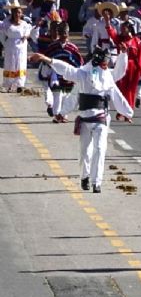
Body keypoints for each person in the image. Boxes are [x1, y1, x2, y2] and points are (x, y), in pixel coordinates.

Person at [30, 48, 132, 192]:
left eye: (107, 62)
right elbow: (67, 74)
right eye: (104, 62)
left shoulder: (107, 76)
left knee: (100, 149)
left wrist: (126, 112)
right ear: (96, 62)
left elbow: (117, 91)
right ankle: (85, 177)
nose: (106, 65)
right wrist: (45, 58)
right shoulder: (82, 75)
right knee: (84, 152)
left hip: (101, 119)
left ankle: (97, 182)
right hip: (85, 119)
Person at [42, 21, 83, 123]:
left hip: (68, 75)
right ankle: (56, 115)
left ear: (68, 33)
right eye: (62, 32)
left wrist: (77, 75)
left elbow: (78, 62)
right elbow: (46, 59)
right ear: (59, 33)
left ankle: (64, 115)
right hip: (55, 75)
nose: (64, 35)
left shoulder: (72, 48)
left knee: (67, 95)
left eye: (65, 33)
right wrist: (46, 73)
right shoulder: (53, 46)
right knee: (58, 94)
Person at [114, 20, 141, 121]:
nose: (122, 30)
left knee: (131, 91)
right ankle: (120, 111)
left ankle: (128, 113)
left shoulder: (137, 41)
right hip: (122, 66)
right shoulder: (119, 40)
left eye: (124, 28)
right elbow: (112, 33)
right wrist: (107, 21)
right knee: (121, 90)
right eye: (121, 28)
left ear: (129, 29)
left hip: (133, 68)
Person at [2, 0, 36, 92]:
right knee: (10, 63)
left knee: (20, 63)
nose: (17, 14)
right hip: (10, 45)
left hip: (21, 46)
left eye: (19, 12)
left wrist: (26, 36)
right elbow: (2, 32)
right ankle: (8, 84)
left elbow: (29, 31)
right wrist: (4, 43)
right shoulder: (7, 23)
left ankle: (19, 84)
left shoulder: (24, 24)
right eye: (16, 12)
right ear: (12, 13)